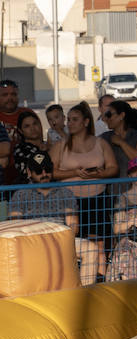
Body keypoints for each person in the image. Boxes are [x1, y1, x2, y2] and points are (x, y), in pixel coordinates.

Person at [9, 149, 103, 285]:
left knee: (91, 249)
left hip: (60, 239)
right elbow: (15, 225)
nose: (44, 174)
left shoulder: (65, 193)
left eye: (47, 170)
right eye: (38, 171)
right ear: (29, 173)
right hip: (31, 242)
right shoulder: (21, 195)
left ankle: (82, 296)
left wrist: (60, 239)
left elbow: (73, 226)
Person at [52, 102, 117, 245]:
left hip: (97, 199)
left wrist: (99, 174)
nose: (70, 123)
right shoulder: (60, 145)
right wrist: (73, 173)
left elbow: (113, 167)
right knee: (73, 243)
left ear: (86, 122)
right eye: (68, 119)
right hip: (69, 200)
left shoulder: (100, 143)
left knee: (100, 242)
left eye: (74, 119)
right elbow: (51, 172)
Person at [99, 101, 137, 178]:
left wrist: (122, 143)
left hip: (135, 187)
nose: (106, 118)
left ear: (121, 116)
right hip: (111, 188)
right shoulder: (104, 137)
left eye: (109, 115)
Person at [0, 80, 34, 185]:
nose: (10, 98)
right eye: (5, 95)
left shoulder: (28, 113)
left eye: (13, 94)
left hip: (27, 178)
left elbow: (38, 142)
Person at [9, 111, 48, 184]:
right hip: (31, 190)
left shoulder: (49, 144)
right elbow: (33, 168)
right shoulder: (20, 149)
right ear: (20, 131)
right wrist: (45, 152)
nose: (32, 128)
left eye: (35, 124)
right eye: (27, 126)